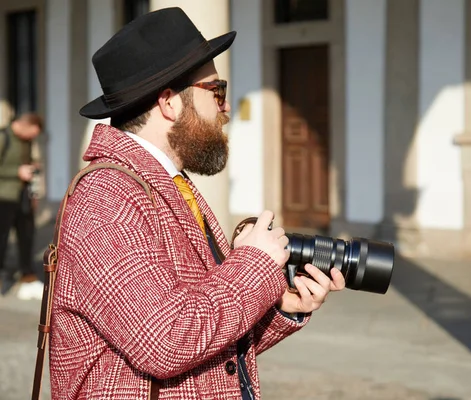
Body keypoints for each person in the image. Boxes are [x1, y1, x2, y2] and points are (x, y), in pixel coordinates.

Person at [49, 7, 345, 400]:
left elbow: (209, 345)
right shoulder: (106, 198)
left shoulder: (167, 183)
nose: (225, 108)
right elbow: (167, 341)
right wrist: (255, 265)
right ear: (170, 103)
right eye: (217, 92)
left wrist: (281, 307)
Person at [0, 112, 44, 300]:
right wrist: (17, 171)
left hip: (23, 196)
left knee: (27, 235)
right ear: (25, 125)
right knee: (2, 238)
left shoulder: (26, 141)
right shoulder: (3, 137)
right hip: (4, 197)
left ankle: (27, 276)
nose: (32, 138)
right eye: (32, 133)